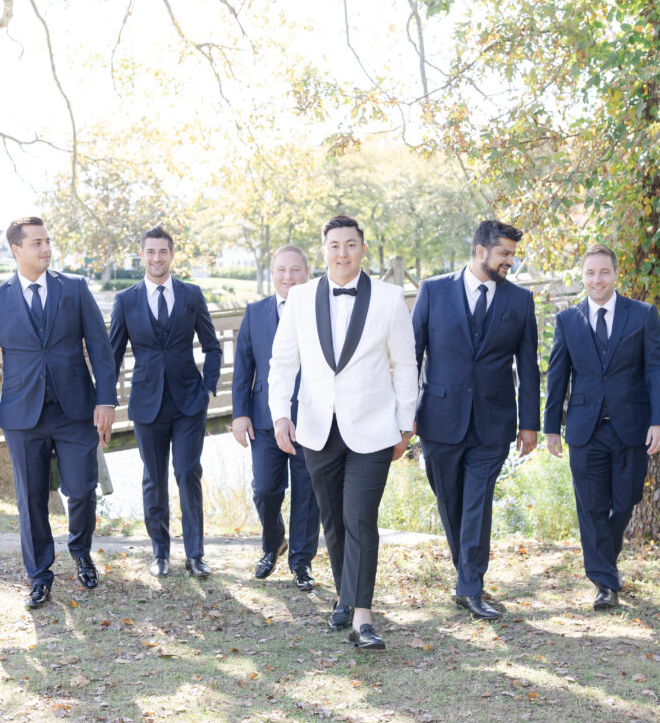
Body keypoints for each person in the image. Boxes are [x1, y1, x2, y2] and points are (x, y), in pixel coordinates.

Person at [269, 215, 417, 651]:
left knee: (359, 518)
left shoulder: (390, 299)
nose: (342, 253)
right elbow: (283, 363)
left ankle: (362, 618)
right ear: (323, 251)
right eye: (334, 245)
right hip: (317, 428)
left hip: (373, 427)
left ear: (362, 249)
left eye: (350, 244)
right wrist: (281, 415)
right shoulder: (299, 298)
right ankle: (344, 597)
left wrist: (405, 424)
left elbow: (405, 366)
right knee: (332, 520)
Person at [0, 216, 116, 608]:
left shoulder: (74, 288)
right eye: (36, 243)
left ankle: (81, 551)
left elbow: (101, 348)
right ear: (16, 250)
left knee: (83, 489)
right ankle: (39, 575)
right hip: (22, 417)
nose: (46, 248)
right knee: (31, 497)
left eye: (47, 241)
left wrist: (106, 400)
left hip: (75, 411)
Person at [412, 219, 540, 620]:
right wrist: (403, 416)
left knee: (477, 504)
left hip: (494, 421)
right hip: (439, 418)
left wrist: (529, 423)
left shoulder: (519, 301)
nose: (509, 263)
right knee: (449, 502)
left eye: (512, 256)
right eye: (504, 254)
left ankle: (470, 586)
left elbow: (529, 366)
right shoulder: (433, 290)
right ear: (480, 250)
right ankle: (466, 571)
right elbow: (411, 355)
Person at [544, 243, 660, 610]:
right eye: (590, 273)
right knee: (590, 507)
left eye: (604, 272)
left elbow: (655, 370)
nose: (597, 279)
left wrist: (658, 419)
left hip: (633, 425)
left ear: (615, 274)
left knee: (626, 500)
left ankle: (603, 559)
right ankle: (605, 584)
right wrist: (550, 428)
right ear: (583, 277)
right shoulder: (567, 321)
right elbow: (557, 377)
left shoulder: (643, 315)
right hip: (584, 428)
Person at [109, 226, 222, 578]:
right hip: (146, 404)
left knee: (188, 473)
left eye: (163, 252)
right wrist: (104, 402)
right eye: (151, 252)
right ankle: (160, 552)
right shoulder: (125, 300)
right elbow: (112, 356)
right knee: (153, 478)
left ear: (172, 256)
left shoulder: (191, 295)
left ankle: (195, 555)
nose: (157, 258)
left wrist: (209, 387)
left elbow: (213, 346)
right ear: (141, 256)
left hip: (189, 402)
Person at [231, 245, 320, 590]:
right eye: (281, 270)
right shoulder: (255, 312)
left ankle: (301, 562)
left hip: (309, 418)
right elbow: (244, 367)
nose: (288, 277)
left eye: (295, 270)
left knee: (307, 494)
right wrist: (240, 414)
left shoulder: (318, 310)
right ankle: (273, 544)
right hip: (265, 419)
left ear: (307, 272)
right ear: (272, 274)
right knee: (266, 490)